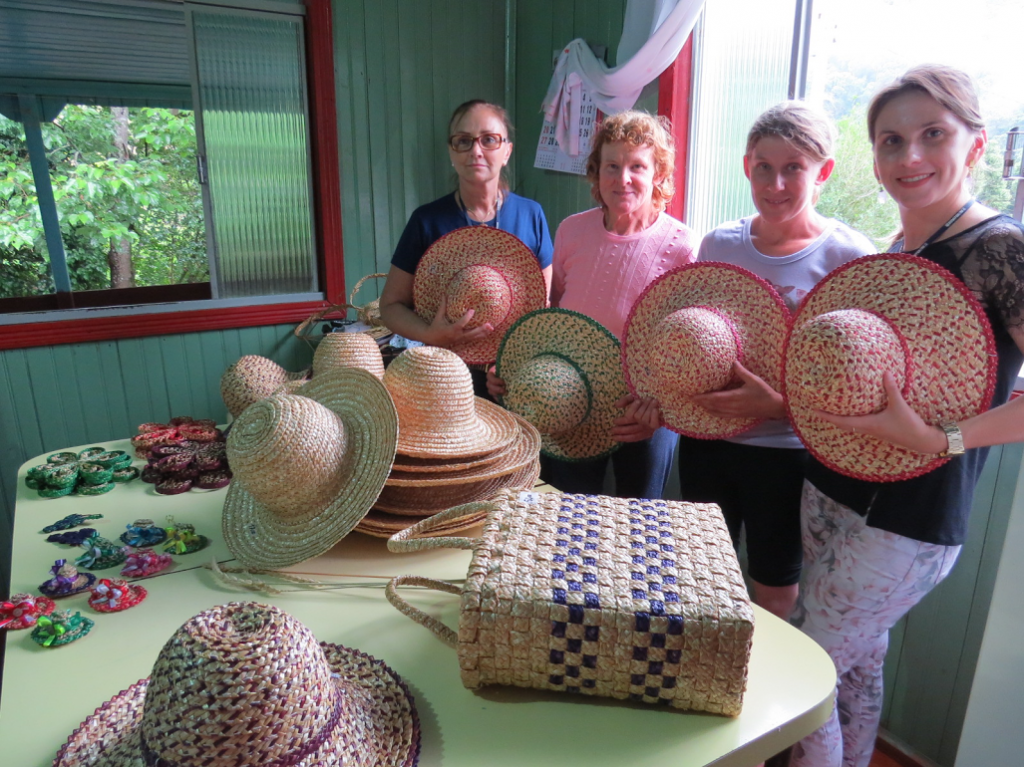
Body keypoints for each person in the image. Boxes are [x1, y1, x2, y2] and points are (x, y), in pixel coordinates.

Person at [788, 65, 1024, 767]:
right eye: (891, 140)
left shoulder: (1001, 251)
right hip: (832, 486)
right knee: (852, 666)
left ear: (976, 146)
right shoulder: (896, 251)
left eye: (932, 134)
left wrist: (940, 438)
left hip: (912, 519)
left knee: (801, 675)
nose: (909, 157)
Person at [629, 102, 875, 621]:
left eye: (794, 168)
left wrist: (781, 406)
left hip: (786, 455)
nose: (776, 183)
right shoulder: (720, 244)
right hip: (708, 441)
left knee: (775, 588)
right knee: (694, 574)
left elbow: (861, 385)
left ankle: (761, 691)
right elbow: (690, 344)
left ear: (823, 172)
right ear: (747, 166)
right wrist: (660, 396)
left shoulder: (848, 257)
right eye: (764, 166)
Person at [489, 110, 697, 499]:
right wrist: (511, 368)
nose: (623, 179)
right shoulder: (571, 230)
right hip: (568, 407)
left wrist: (659, 413)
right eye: (612, 166)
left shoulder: (681, 245)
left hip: (643, 418)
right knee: (566, 518)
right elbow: (550, 318)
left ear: (658, 174)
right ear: (595, 173)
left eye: (637, 166)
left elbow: (687, 350)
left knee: (640, 526)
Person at [378, 99, 554, 393]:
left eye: (489, 140)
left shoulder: (530, 215)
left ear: (507, 151)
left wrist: (515, 359)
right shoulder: (427, 221)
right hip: (444, 376)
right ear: (451, 151)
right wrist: (430, 334)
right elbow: (390, 306)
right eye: (463, 141)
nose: (476, 150)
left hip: (515, 376)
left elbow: (542, 306)